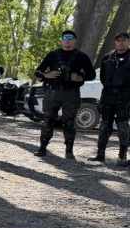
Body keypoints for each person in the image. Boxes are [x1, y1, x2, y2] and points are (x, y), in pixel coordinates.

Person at [33, 30, 95, 159]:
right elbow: (37, 73)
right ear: (61, 40)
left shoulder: (81, 56)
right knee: (48, 121)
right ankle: (42, 148)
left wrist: (80, 77)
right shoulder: (52, 55)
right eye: (65, 38)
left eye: (70, 38)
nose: (67, 40)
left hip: (71, 94)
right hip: (52, 92)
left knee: (69, 122)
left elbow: (92, 75)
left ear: (74, 41)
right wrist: (46, 75)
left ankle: (69, 151)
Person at [88, 32, 130, 165]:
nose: (121, 43)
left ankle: (122, 157)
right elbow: (103, 78)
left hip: (125, 98)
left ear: (128, 42)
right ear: (115, 42)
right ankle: (100, 155)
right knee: (104, 126)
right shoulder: (108, 57)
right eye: (118, 40)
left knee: (123, 127)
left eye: (124, 40)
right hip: (108, 96)